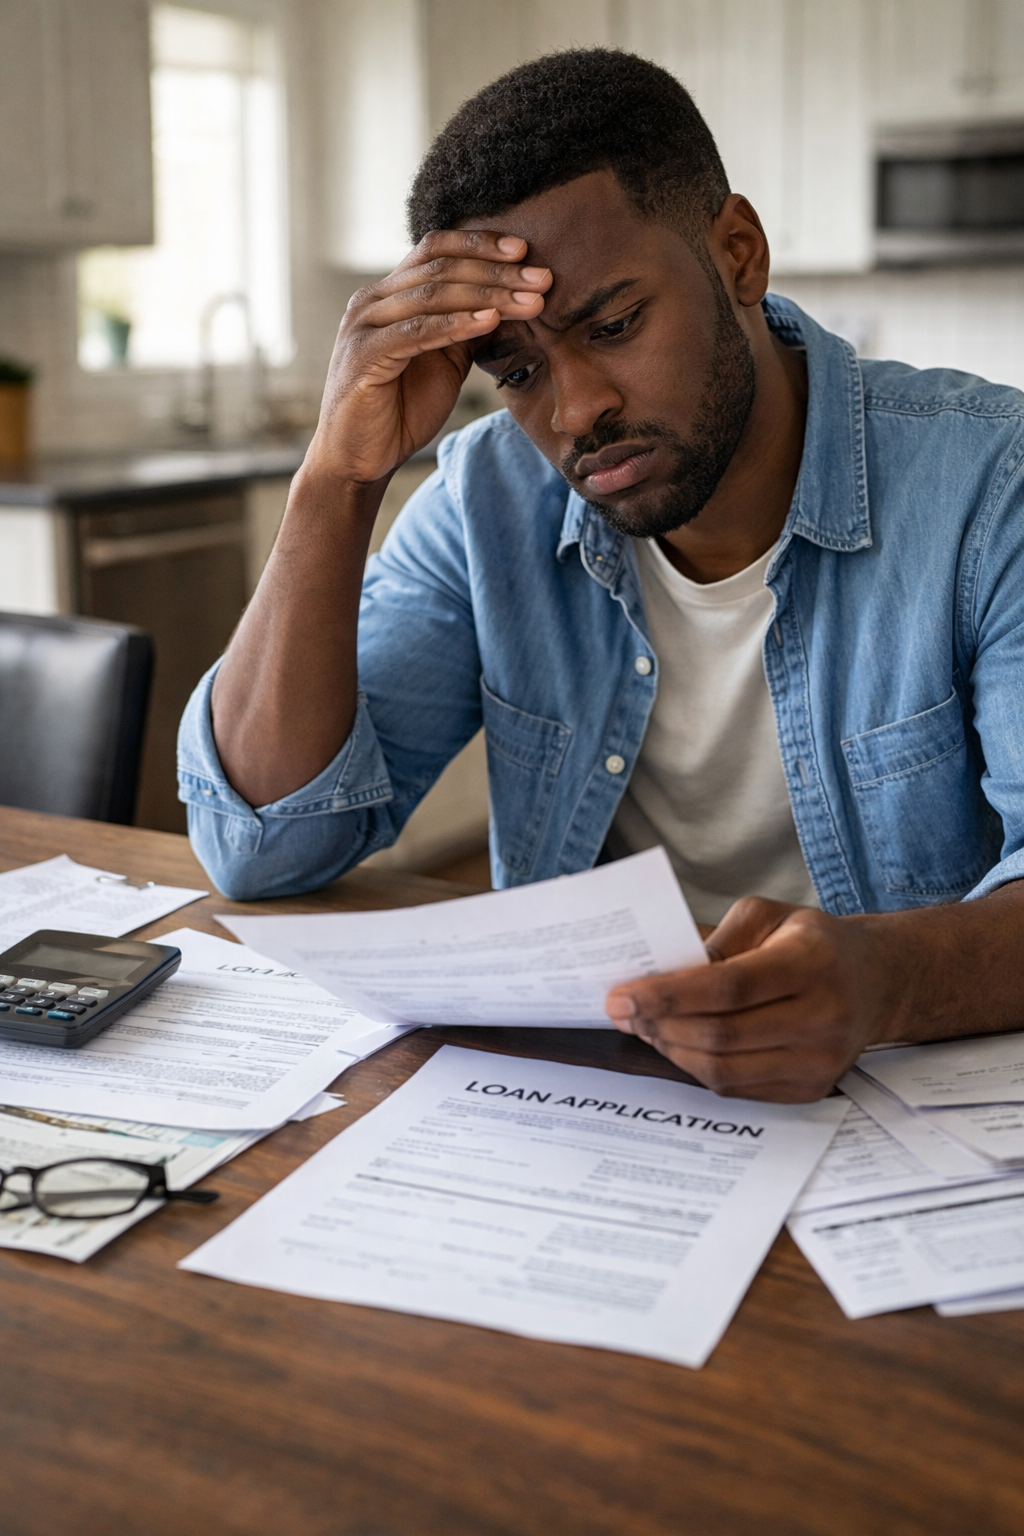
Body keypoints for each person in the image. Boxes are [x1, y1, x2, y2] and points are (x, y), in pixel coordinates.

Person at [178, 49, 1024, 1102]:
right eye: (519, 371)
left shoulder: (991, 484)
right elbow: (260, 848)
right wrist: (336, 480)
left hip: (911, 1095)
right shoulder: (485, 497)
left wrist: (884, 983)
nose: (573, 412)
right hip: (603, 1094)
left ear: (737, 256)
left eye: (614, 326)